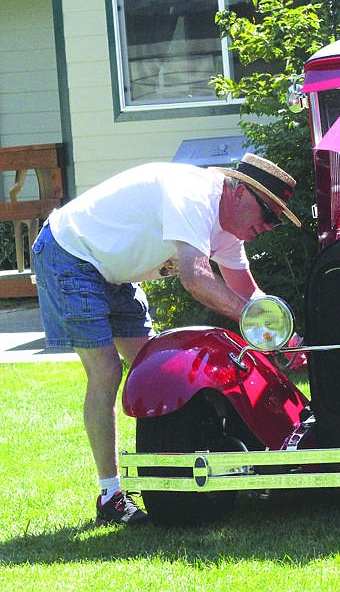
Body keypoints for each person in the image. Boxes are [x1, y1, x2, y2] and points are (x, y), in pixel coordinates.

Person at [31, 153, 300, 526]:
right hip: (69, 254)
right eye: (268, 213)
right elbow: (195, 277)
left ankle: (186, 476)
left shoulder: (228, 231)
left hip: (115, 272)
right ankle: (110, 496)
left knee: (157, 370)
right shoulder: (194, 195)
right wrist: (251, 319)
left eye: (276, 221)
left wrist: (281, 334)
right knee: (106, 370)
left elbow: (247, 292)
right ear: (239, 192)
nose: (269, 226)